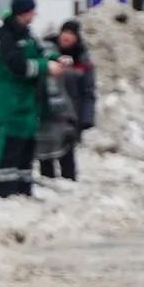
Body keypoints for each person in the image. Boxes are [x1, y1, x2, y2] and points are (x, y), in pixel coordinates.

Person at [0, 0, 60, 197]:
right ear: (22, 12)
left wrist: (56, 58)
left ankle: (23, 189)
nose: (34, 16)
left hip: (27, 103)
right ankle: (4, 190)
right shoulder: (4, 36)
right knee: (11, 144)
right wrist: (46, 67)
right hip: (11, 101)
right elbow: (17, 66)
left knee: (27, 146)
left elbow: (40, 52)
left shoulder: (26, 34)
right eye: (31, 12)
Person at [40, 18, 96, 181]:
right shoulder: (46, 51)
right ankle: (47, 180)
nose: (67, 37)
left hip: (71, 113)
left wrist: (86, 118)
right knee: (45, 150)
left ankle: (68, 181)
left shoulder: (82, 59)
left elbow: (88, 92)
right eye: (65, 32)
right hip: (47, 109)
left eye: (72, 34)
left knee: (67, 151)